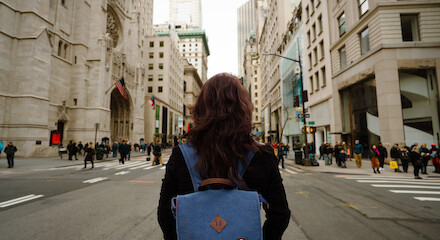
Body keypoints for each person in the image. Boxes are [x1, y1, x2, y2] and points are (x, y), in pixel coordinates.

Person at [157, 73, 290, 239]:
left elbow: (165, 214)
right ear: (244, 109)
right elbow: (280, 214)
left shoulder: (181, 154)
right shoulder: (263, 155)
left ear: (201, 109)